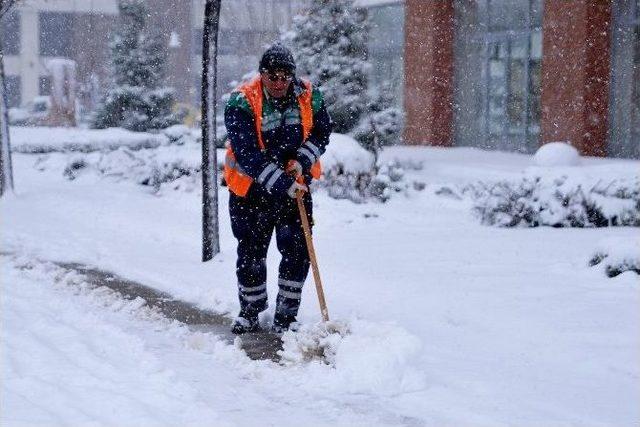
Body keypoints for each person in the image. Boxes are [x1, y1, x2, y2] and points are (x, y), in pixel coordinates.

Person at [224, 43, 332, 334]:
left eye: (285, 77)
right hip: (251, 191)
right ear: (262, 75)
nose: (279, 83)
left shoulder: (310, 95)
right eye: (273, 76)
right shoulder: (242, 101)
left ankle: (286, 316)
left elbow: (323, 132)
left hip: (294, 188)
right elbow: (247, 154)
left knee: (298, 251)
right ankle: (250, 311)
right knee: (251, 252)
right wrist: (283, 183)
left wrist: (302, 160)